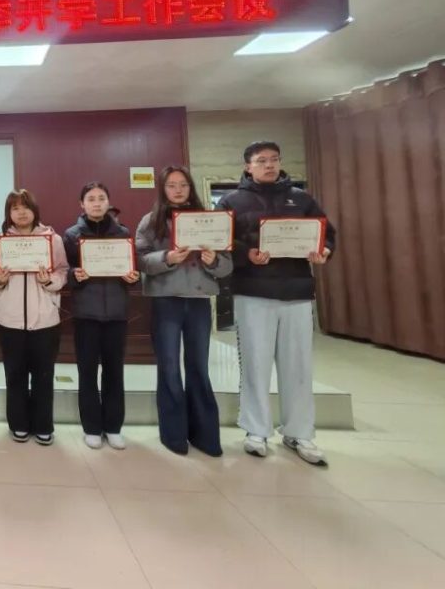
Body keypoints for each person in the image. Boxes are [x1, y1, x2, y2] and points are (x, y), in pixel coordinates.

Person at [218, 141, 335, 465]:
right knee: (254, 364)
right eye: (261, 161)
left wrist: (324, 251)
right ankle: (256, 430)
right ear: (248, 166)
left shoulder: (302, 199)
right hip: (252, 292)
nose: (269, 165)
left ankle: (300, 432)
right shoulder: (232, 201)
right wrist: (247, 254)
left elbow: (327, 234)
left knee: (298, 366)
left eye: (274, 159)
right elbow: (221, 240)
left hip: (296, 292)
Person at [135, 166, 231, 456]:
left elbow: (227, 266)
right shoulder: (151, 221)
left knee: (199, 366)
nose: (178, 190)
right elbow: (140, 260)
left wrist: (214, 261)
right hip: (166, 300)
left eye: (183, 185)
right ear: (163, 189)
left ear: (191, 188)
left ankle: (206, 435)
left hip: (198, 300)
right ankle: (173, 434)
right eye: (171, 185)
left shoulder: (209, 220)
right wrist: (167, 257)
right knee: (169, 367)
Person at [62, 182, 140, 450]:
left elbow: (133, 270)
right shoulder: (71, 235)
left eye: (101, 198)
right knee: (87, 372)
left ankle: (114, 427)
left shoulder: (123, 233)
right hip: (86, 313)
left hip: (117, 313)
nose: (96, 203)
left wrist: (132, 277)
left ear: (109, 202)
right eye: (91, 199)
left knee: (114, 372)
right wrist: (74, 275)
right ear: (82, 204)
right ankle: (92, 427)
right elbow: (64, 271)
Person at [0, 188, 68, 446]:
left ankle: (43, 425)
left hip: (45, 319)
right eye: (15, 208)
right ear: (8, 213)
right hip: (9, 319)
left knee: (43, 375)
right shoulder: (0, 242)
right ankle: (19, 424)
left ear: (34, 210)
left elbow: (62, 271)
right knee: (15, 375)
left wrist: (49, 281)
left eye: (25, 207)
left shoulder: (52, 240)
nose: (21, 212)